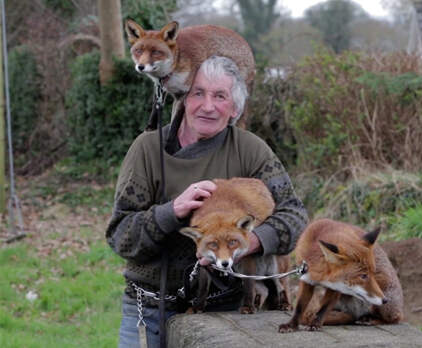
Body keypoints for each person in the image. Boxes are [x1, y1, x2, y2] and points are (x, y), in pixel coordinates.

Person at [106, 56, 308, 348]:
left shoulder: (251, 151)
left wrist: (249, 242)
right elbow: (120, 236)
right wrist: (170, 212)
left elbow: (295, 216)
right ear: (183, 99)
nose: (208, 105)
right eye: (198, 93)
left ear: (235, 108)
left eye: (220, 96)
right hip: (150, 309)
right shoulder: (147, 150)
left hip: (227, 312)